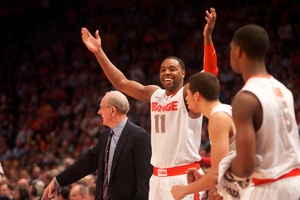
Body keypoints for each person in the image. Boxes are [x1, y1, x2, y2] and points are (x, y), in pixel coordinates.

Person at [81, 8, 218, 200]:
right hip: (157, 178)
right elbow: (121, 82)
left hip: (184, 175)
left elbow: (210, 75)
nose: (167, 73)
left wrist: (207, 39)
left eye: (172, 69)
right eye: (163, 70)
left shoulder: (188, 94)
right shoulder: (155, 94)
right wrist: (98, 52)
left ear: (183, 74)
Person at [219, 24, 300, 199]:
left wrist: (224, 171)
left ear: (239, 51)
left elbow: (246, 167)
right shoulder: (284, 90)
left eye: (231, 48)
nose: (230, 53)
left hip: (269, 187)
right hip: (295, 183)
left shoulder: (245, 98)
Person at [42, 90, 152, 200]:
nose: (99, 112)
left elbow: (145, 181)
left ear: (112, 110)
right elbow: (86, 163)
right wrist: (57, 181)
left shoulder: (140, 137)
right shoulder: (106, 136)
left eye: (102, 108)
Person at [171, 72, 235, 199]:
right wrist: (203, 180)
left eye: (187, 94)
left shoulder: (218, 118)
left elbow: (217, 174)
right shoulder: (226, 111)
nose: (186, 99)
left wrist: (183, 190)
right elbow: (228, 167)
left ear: (197, 96)